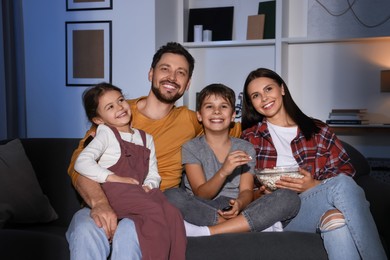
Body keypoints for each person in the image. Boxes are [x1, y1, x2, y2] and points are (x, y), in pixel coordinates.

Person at [66, 42, 241, 259]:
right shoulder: (115, 110)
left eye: (181, 73)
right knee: (85, 231)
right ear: (151, 73)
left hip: (150, 207)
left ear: (187, 85)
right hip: (105, 199)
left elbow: (239, 127)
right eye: (165, 69)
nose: (172, 77)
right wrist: (100, 203)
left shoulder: (191, 120)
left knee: (130, 234)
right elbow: (79, 167)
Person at [240, 68, 387, 260]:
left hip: (313, 205)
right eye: (256, 95)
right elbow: (242, 190)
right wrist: (263, 193)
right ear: (252, 103)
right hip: (276, 215)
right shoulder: (250, 137)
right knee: (340, 196)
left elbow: (346, 172)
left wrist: (313, 185)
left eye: (269, 89)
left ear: (282, 89)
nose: (264, 98)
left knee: (336, 220)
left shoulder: (318, 130)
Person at [164, 83, 300, 236]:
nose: (216, 111)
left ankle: (210, 230)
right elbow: (201, 194)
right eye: (209, 107)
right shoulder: (191, 147)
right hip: (204, 207)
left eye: (223, 106)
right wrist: (224, 171)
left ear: (233, 115)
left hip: (238, 208)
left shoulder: (246, 147)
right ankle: (244, 226)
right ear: (199, 115)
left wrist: (240, 204)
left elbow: (247, 190)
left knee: (288, 197)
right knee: (171, 195)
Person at [74, 83, 186, 260]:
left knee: (172, 213)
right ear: (98, 120)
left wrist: (149, 185)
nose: (119, 107)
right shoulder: (105, 134)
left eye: (120, 100)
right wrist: (112, 177)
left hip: (136, 193)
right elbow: (81, 162)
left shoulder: (146, 138)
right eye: (110, 107)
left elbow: (153, 172)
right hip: (113, 192)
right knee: (156, 212)